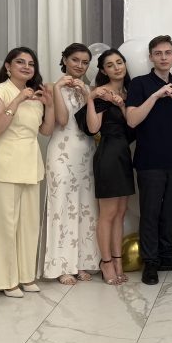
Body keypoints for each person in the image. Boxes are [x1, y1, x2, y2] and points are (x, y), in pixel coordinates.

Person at [0, 47, 55, 296]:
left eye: (31, 64)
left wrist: (49, 106)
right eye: (20, 62)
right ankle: (6, 280)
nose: (26, 67)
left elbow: (45, 131)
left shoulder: (35, 94)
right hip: (4, 163)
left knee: (29, 224)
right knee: (4, 225)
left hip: (30, 162)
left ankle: (26, 276)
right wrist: (16, 100)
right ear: (8, 66)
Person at [126, 36, 172, 285]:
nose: (164, 57)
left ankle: (167, 255)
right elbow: (132, 120)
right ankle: (151, 261)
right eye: (158, 53)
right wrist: (156, 95)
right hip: (149, 160)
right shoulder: (139, 84)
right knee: (150, 213)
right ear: (151, 57)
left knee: (171, 212)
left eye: (168, 53)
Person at [42, 43, 100, 285]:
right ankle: (62, 265)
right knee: (61, 207)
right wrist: (58, 88)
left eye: (85, 62)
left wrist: (87, 95)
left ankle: (83, 262)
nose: (80, 65)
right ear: (64, 59)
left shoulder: (88, 88)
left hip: (86, 152)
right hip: (61, 154)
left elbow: (92, 126)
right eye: (75, 60)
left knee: (86, 207)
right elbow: (63, 120)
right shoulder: (50, 86)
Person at [79, 48, 135, 286]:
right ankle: (106, 262)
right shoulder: (101, 93)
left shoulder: (129, 93)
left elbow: (133, 127)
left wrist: (121, 106)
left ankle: (118, 261)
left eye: (119, 62)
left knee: (120, 213)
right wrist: (91, 98)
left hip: (124, 155)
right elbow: (93, 128)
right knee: (108, 214)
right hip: (108, 154)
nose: (116, 67)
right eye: (110, 65)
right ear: (103, 70)